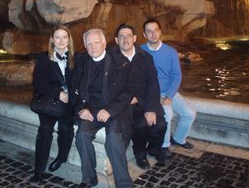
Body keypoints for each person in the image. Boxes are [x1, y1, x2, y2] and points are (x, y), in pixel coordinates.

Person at [72, 28, 134, 188]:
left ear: (104, 43)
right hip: (90, 109)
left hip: (112, 109)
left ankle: (124, 184)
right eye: (89, 43)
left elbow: (128, 91)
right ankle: (89, 178)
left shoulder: (120, 62)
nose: (93, 47)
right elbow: (74, 90)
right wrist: (81, 108)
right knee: (82, 136)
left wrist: (110, 110)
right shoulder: (81, 62)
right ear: (85, 46)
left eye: (96, 42)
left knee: (114, 138)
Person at [114, 23, 167, 169]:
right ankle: (140, 153)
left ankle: (154, 149)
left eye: (128, 36)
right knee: (141, 124)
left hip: (143, 101)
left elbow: (153, 84)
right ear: (116, 40)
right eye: (121, 36)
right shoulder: (111, 58)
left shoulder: (145, 57)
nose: (125, 39)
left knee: (161, 124)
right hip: (122, 106)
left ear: (135, 38)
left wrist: (150, 108)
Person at [141, 18, 196, 156]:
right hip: (152, 93)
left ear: (160, 32)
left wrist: (170, 96)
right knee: (167, 113)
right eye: (149, 31)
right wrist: (152, 97)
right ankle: (164, 145)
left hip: (169, 92)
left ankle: (178, 138)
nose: (153, 34)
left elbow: (176, 76)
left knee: (190, 114)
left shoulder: (171, 52)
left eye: (155, 30)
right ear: (144, 34)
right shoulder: (140, 52)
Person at [30, 25, 75, 183]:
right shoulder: (44, 58)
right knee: (45, 130)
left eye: (64, 37)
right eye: (57, 37)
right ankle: (39, 170)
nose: (61, 40)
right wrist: (58, 94)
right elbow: (38, 83)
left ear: (69, 39)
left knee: (66, 129)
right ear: (52, 40)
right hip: (50, 101)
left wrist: (72, 96)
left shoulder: (76, 58)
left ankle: (61, 158)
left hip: (68, 105)